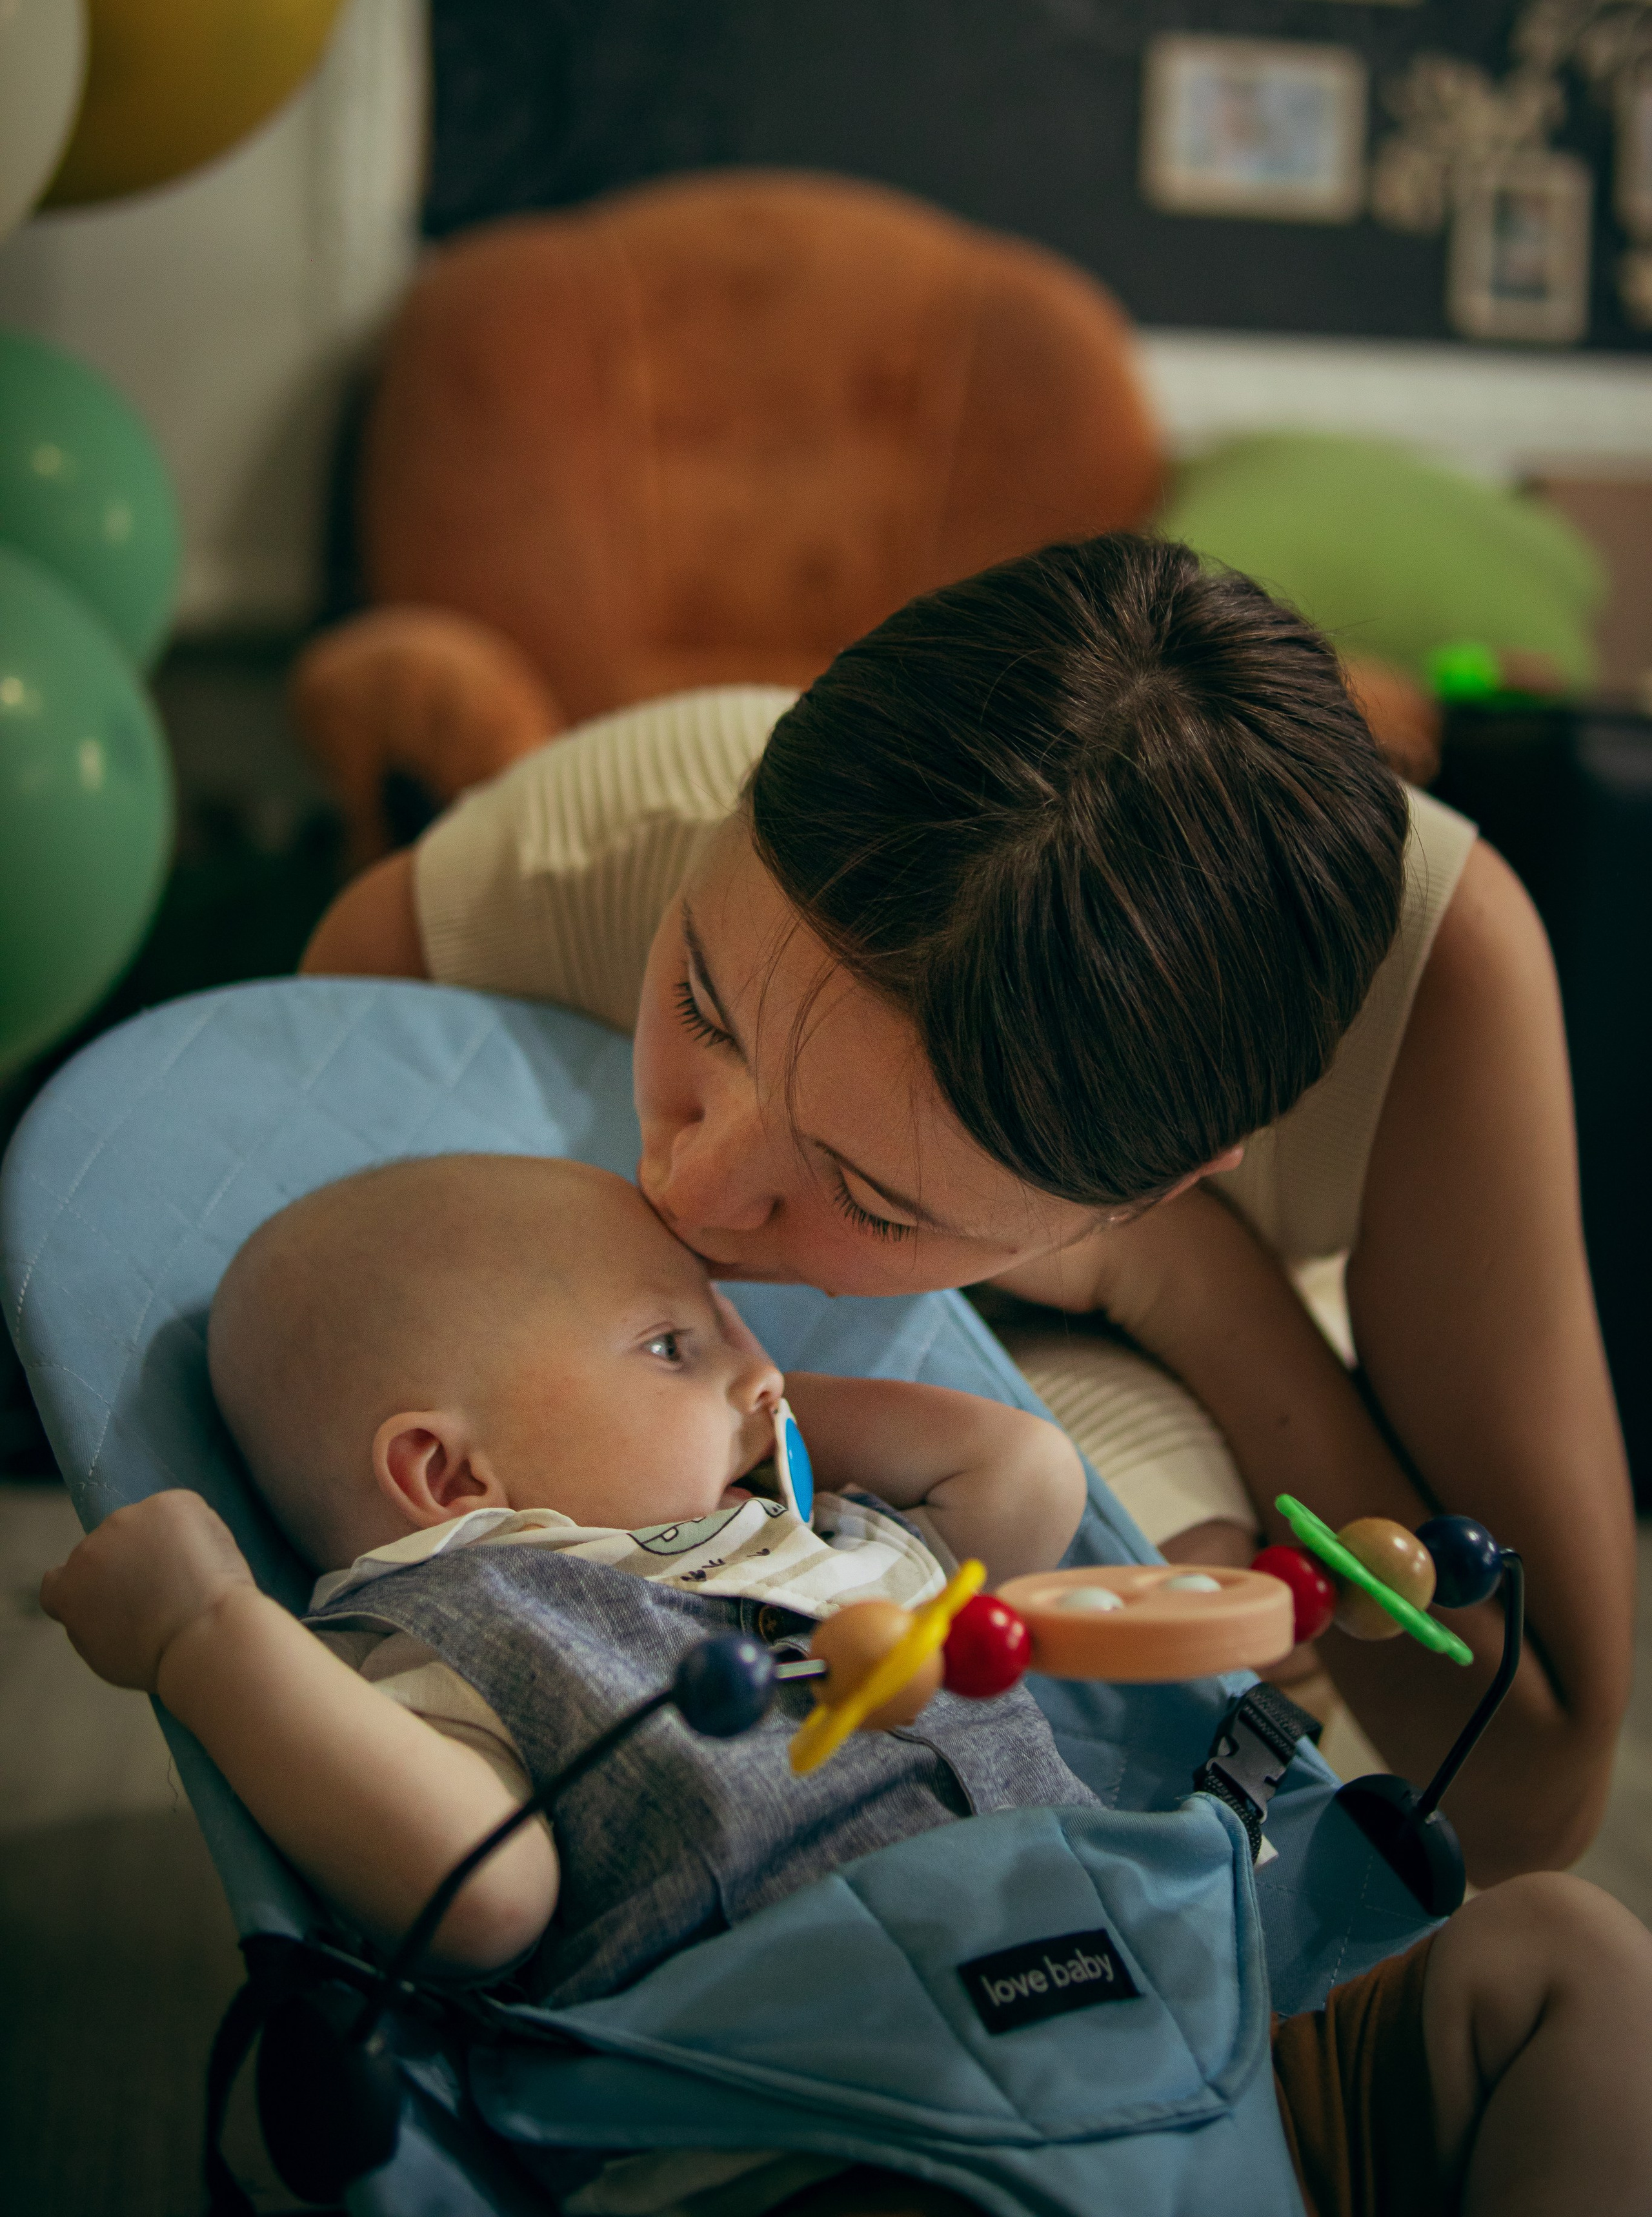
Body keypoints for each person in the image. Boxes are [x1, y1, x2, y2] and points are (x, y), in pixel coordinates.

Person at [299, 534, 1633, 1884]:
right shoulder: (592, 854)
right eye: (701, 1002)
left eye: (873, 1201)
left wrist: (1179, 1281)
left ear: (1159, 1180)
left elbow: (1526, 1793)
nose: (686, 1185)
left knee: (1156, 1607)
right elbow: (250, 1205)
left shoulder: (1436, 1000)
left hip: (1145, 1371)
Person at [40, 1153, 1652, 2217]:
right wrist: (209, 1633)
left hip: (1197, 2033)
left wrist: (755, 1393)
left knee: (1554, 1948)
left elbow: (1017, 1477)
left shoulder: (828, 1543)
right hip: (849, 2133)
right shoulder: (468, 1623)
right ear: (442, 1473)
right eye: (670, 1344)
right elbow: (478, 1892)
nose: (752, 1374)